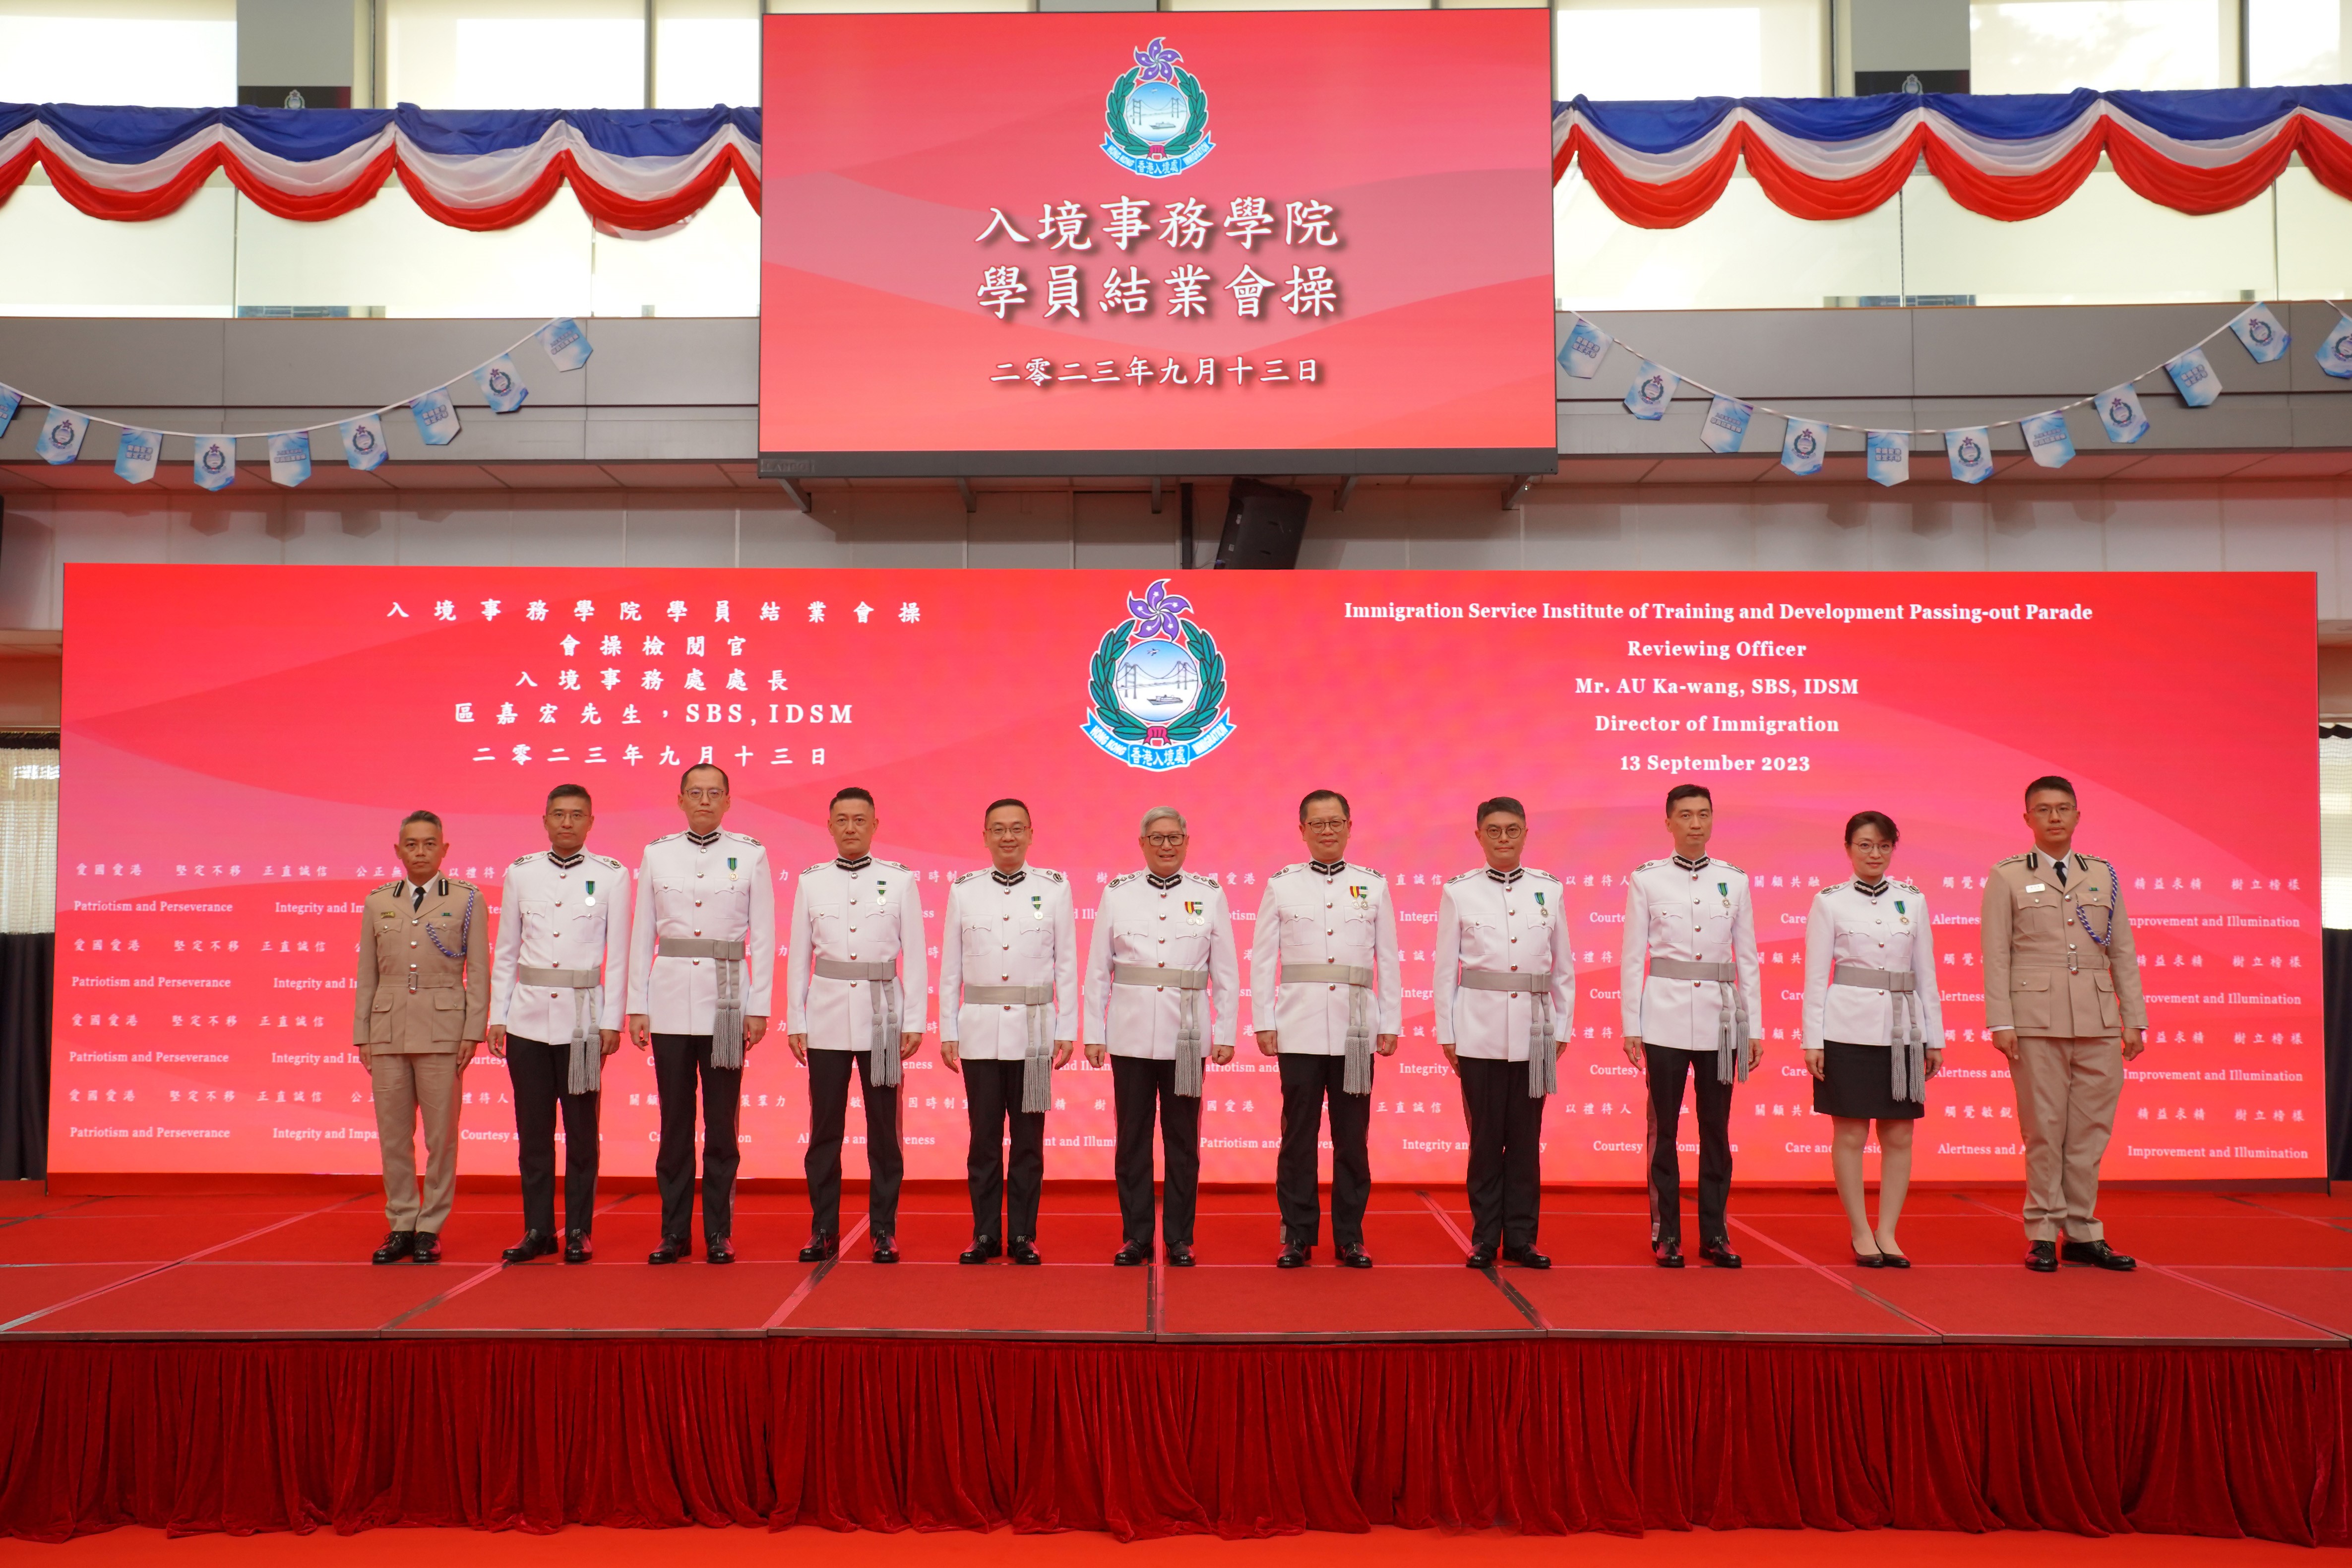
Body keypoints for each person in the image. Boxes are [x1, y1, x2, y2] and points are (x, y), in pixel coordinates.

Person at [1982, 775, 2146, 1272]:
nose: (2054, 817)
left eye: (2063, 808)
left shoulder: (2102, 875)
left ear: (2077, 816)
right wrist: (2000, 1021)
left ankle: (2081, 1231)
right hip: (2034, 1022)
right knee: (2043, 1129)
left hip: (2096, 1021)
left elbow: (2121, 951)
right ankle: (2040, 1233)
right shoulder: (2006, 875)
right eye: (2043, 809)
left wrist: (2132, 1018)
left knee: (2089, 1132)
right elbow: (1996, 954)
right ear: (2026, 818)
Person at [626, 763, 775, 1266]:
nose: (705, 801)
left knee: (720, 1124)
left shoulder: (751, 853)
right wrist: (637, 1003)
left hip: (727, 1003)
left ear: (728, 800)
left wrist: (759, 1006)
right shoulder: (656, 853)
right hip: (668, 1001)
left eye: (714, 793)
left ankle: (718, 1230)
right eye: (696, 792)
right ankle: (673, 1232)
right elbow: (641, 931)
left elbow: (764, 935)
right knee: (673, 1124)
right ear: (681, 798)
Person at [1252, 789, 1401, 1269]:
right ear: (1302, 830)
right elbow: (1262, 959)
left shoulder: (1373, 885)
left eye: (1335, 821)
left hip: (1355, 1029)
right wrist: (1263, 1019)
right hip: (1296, 1026)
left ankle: (1350, 1235)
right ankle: (1296, 1234)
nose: (1327, 830)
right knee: (1297, 1135)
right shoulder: (1282, 884)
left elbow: (1389, 959)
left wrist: (1390, 1020)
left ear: (1349, 826)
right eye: (1317, 823)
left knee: (1352, 1138)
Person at [1085, 807, 1238, 1267]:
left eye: (1174, 837)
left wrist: (1226, 1030)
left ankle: (1179, 1238)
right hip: (1130, 1035)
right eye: (1157, 838)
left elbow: (1226, 972)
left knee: (1182, 1141)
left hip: (1186, 1037)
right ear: (1143, 843)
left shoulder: (1209, 894)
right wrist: (1094, 1030)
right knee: (1131, 1139)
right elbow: (1098, 970)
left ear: (1187, 841)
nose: (1166, 845)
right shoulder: (1118, 893)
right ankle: (1136, 1236)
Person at [487, 784, 630, 1265]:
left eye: (576, 815)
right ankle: (537, 1228)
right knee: (532, 1131)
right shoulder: (521, 873)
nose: (567, 822)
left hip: (583, 1023)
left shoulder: (611, 876)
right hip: (526, 1020)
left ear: (591, 821)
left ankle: (579, 1230)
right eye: (558, 814)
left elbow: (618, 957)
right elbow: (506, 950)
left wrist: (612, 1019)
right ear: (544, 819)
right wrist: (498, 1015)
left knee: (581, 1131)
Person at [1621, 783, 1761, 1268]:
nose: (1695, 823)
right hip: (1661, 1018)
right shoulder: (1647, 879)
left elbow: (1746, 956)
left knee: (1716, 1130)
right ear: (1668, 822)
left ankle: (1715, 1233)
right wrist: (1630, 1024)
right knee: (1663, 1130)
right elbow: (1631, 957)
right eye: (1685, 815)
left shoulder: (1734, 880)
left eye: (1703, 814)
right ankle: (1666, 1234)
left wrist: (1753, 1026)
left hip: (1720, 1022)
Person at [1433, 796, 1574, 1270]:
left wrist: (1563, 1025)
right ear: (1478, 836)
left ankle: (1522, 1238)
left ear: (1526, 833)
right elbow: (1443, 970)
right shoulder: (1459, 892)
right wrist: (1447, 1032)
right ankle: (1484, 1237)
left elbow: (1564, 969)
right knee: (1486, 1140)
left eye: (1512, 830)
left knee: (1527, 1139)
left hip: (1535, 1033)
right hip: (1479, 1031)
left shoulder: (1549, 890)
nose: (1504, 839)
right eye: (1494, 830)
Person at [787, 786, 926, 1264]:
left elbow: (917, 956)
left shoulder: (901, 881)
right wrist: (796, 1019)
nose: (850, 828)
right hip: (825, 1017)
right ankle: (823, 1228)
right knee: (825, 1129)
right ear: (829, 826)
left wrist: (915, 1020)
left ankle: (883, 1230)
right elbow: (798, 956)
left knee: (884, 1131)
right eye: (842, 820)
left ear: (874, 825)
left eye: (859, 820)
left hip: (882, 1017)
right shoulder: (811, 882)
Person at [938, 798, 1076, 1265]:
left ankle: (1022, 1235)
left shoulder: (1055, 888)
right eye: (998, 829)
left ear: (1031, 833)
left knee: (1028, 1140)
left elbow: (1068, 963)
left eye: (1017, 828)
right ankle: (984, 1233)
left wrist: (1068, 1028)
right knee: (983, 1140)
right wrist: (947, 1029)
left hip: (1035, 1033)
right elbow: (950, 968)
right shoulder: (964, 889)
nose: (1008, 837)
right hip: (978, 1031)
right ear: (985, 836)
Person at [1801, 811, 1943, 1268]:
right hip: (1847, 1028)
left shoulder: (1914, 900)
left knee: (1900, 1133)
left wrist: (1934, 1037)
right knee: (1851, 1132)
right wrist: (1813, 1039)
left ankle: (1888, 1231)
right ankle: (1861, 1230)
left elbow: (1927, 975)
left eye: (1883, 845)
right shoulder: (1830, 902)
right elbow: (1815, 977)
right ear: (1848, 848)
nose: (1874, 854)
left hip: (1903, 1031)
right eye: (1865, 845)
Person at [353, 811, 488, 1265]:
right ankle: (401, 1224)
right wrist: (362, 1035)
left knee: (441, 1138)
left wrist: (473, 1030)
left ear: (444, 850)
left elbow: (481, 973)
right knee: (393, 1136)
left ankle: (430, 1226)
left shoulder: (468, 899)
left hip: (442, 1030)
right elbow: (367, 976)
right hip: (387, 1030)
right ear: (398, 851)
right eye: (412, 844)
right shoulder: (378, 902)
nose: (421, 852)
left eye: (430, 844)